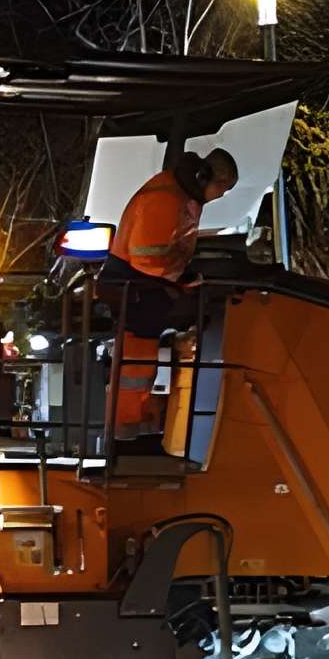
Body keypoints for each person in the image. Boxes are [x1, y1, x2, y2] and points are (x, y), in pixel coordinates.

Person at [107, 145, 237, 447]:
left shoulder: (180, 193)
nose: (220, 197)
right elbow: (146, 258)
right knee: (135, 367)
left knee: (139, 366)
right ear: (207, 178)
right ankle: (123, 433)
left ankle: (129, 427)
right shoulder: (165, 199)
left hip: (143, 288)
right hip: (135, 287)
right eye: (223, 189)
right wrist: (183, 277)